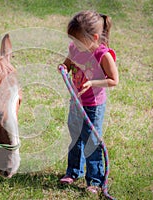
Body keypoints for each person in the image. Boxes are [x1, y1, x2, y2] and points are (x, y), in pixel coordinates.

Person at [58, 10, 119, 194]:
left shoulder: (103, 55)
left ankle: (94, 179)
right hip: (76, 102)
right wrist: (63, 67)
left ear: (93, 37)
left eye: (78, 41)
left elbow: (113, 80)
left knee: (91, 140)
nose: (75, 45)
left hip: (93, 105)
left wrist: (92, 83)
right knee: (75, 137)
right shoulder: (75, 48)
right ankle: (73, 171)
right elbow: (67, 64)